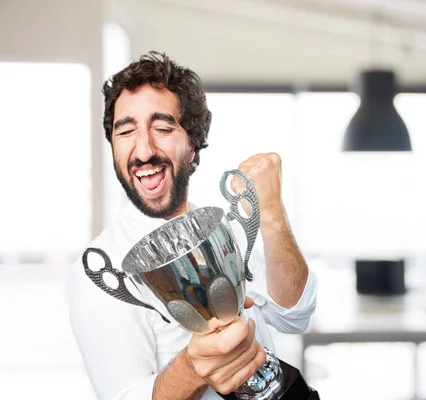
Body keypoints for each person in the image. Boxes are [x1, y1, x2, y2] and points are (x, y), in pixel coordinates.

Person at [66, 51, 318, 400]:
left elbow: (295, 315)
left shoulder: (222, 228)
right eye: (125, 131)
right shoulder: (98, 268)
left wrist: (272, 212)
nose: (143, 150)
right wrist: (193, 367)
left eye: (163, 127)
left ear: (193, 146)